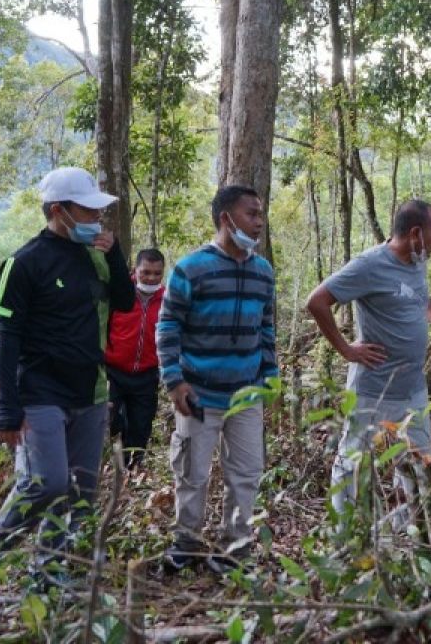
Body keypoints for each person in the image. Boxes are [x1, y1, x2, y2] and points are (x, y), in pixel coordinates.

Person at [0, 167, 133, 590]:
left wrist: (114, 254)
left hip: (90, 389)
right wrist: (8, 410)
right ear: (59, 211)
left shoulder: (95, 254)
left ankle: (49, 568)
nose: (96, 218)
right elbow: (8, 334)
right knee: (46, 481)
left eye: (99, 210)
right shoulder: (24, 262)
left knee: (80, 490)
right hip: (40, 389)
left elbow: (127, 302)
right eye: (87, 210)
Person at [305, 199, 431, 517]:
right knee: (351, 462)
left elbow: (420, 295)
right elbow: (317, 301)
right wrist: (347, 350)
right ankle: (343, 534)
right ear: (416, 233)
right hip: (372, 387)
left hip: (412, 388)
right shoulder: (368, 265)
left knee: (420, 462)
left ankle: (413, 530)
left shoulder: (416, 261)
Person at [157, 186, 277, 573]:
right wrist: (174, 381)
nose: (259, 223)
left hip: (246, 394)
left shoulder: (263, 271)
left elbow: (267, 328)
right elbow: (168, 324)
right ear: (226, 219)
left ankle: (234, 549)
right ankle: (186, 543)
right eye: (251, 214)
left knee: (246, 473)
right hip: (199, 393)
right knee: (192, 472)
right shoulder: (191, 268)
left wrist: (269, 378)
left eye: (260, 215)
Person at [105, 248, 165, 470]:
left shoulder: (167, 299)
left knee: (140, 429)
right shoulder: (120, 294)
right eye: (146, 272)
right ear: (135, 270)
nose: (151, 278)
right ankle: (104, 470)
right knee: (108, 421)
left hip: (147, 375)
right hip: (113, 372)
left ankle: (132, 474)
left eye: (157, 273)